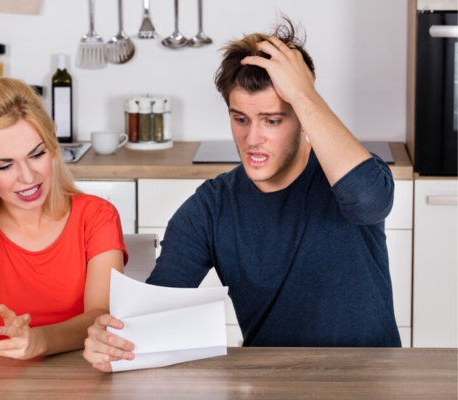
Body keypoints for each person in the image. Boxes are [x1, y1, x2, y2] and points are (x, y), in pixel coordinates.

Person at [83, 19, 401, 372]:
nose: (252, 139)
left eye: (272, 120)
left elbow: (369, 201)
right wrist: (112, 340)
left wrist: (304, 93)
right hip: (273, 384)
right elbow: (157, 314)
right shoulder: (210, 208)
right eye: (241, 119)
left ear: (302, 117)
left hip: (369, 380)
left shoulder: (347, 173)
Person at [0, 77, 127, 360]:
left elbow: (101, 317)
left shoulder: (96, 217)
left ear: (52, 146)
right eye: (4, 165)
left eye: (36, 154)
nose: (28, 178)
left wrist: (39, 341)